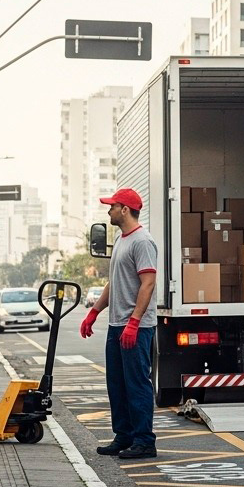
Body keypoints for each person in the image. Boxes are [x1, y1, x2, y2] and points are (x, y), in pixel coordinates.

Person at [80, 187, 159, 458]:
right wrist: (94, 312)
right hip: (117, 325)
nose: (109, 210)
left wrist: (134, 322)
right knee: (117, 384)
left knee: (137, 383)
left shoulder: (142, 241)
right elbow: (114, 283)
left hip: (136, 326)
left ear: (124, 209)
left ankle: (144, 441)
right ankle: (124, 436)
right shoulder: (121, 239)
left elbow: (148, 283)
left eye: (112, 206)